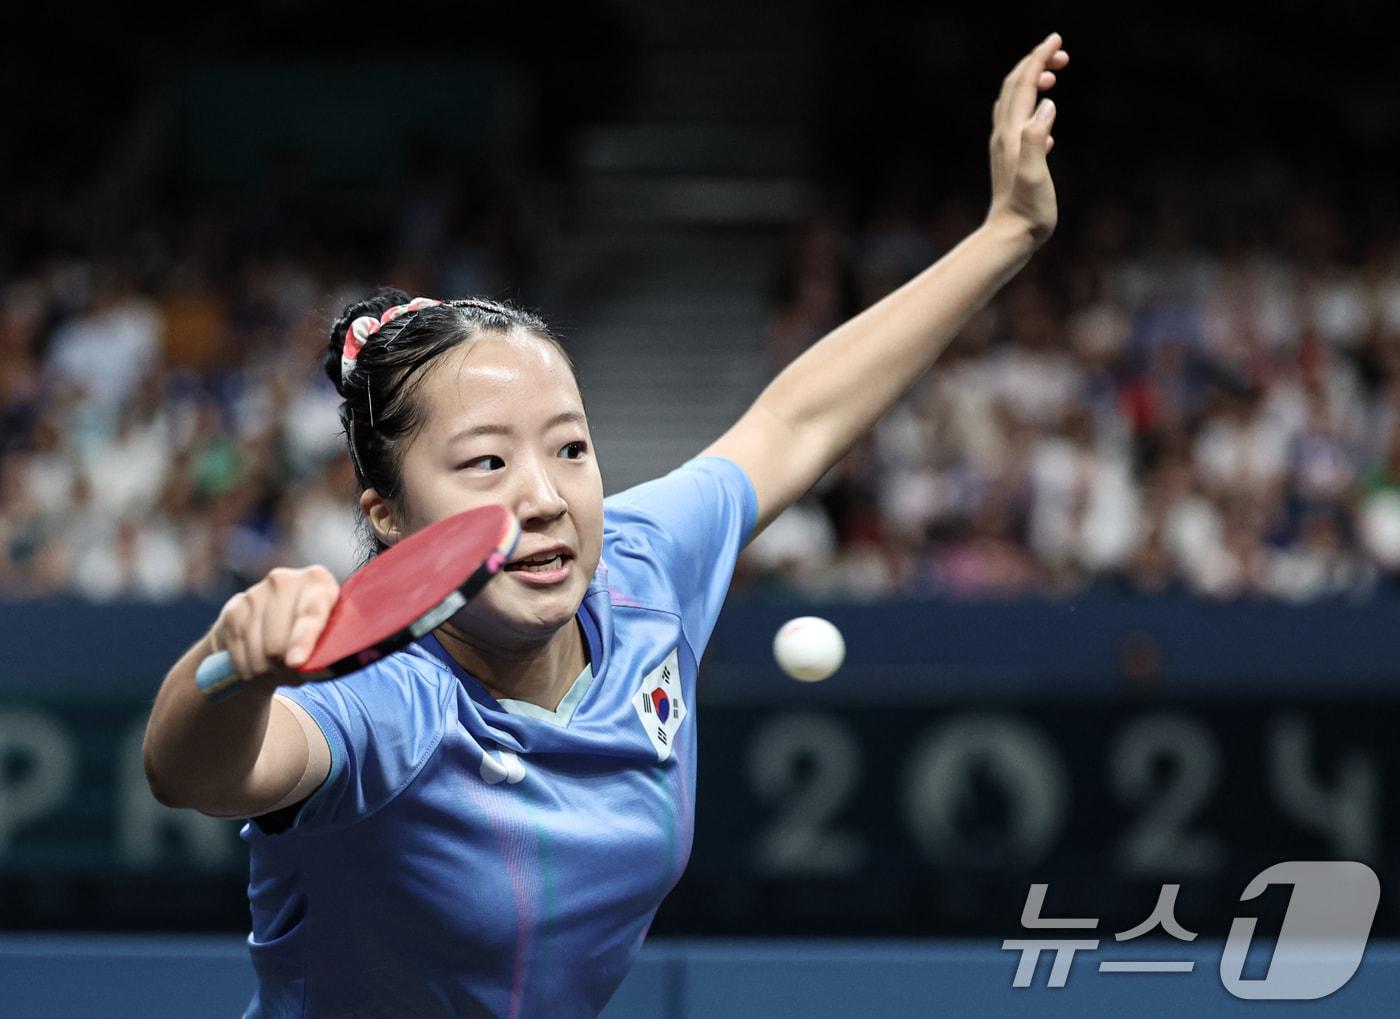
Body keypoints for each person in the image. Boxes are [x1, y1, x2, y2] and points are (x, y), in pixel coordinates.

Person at [142, 32, 1069, 1018]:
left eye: (569, 448)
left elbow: (795, 419)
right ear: (386, 511)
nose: (543, 494)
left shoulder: (638, 568)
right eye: (486, 462)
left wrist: (1004, 232)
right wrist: (232, 667)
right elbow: (192, 768)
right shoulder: (389, 705)